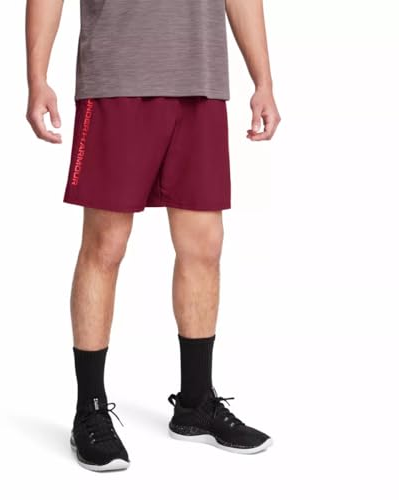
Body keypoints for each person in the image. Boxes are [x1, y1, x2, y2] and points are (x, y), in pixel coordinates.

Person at [25, 0, 281, 472]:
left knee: (204, 245)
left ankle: (195, 403)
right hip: (117, 79)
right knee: (105, 245)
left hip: (201, 80)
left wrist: (262, 80)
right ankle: (90, 410)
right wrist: (37, 78)